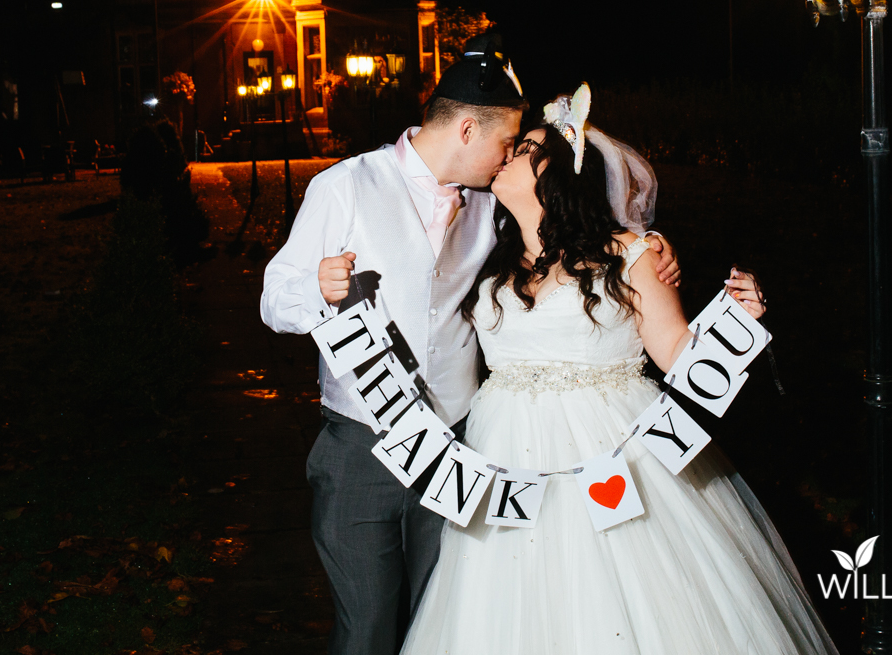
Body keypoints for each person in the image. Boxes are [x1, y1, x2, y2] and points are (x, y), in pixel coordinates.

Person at [260, 38, 682, 655]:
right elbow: (274, 300)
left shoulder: (493, 202)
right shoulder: (345, 186)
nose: (509, 156)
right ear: (465, 128)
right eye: (505, 143)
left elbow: (575, 232)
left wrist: (654, 248)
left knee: (448, 616)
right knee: (367, 623)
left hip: (464, 446)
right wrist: (317, 289)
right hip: (363, 441)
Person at [399, 86, 839, 655]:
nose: (506, 154)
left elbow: (680, 354)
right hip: (504, 458)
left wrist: (740, 320)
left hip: (617, 451)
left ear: (559, 172)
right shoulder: (487, 254)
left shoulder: (629, 254)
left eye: (525, 147)